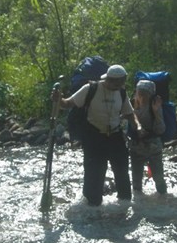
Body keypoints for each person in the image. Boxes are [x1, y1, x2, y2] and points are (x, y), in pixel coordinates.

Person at [53, 64, 143, 206]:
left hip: (115, 136)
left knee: (122, 174)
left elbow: (129, 113)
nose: (119, 85)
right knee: (94, 176)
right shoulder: (91, 89)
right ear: (108, 79)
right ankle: (91, 208)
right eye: (116, 83)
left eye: (122, 82)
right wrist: (59, 100)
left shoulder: (121, 92)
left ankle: (125, 205)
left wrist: (137, 126)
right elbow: (68, 103)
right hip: (94, 137)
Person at [128, 80, 167, 195]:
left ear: (150, 94)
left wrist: (156, 113)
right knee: (136, 181)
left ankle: (164, 199)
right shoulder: (130, 105)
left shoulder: (155, 106)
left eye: (144, 93)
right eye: (139, 92)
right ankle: (138, 203)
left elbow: (161, 130)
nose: (141, 95)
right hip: (136, 147)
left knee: (159, 179)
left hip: (153, 147)